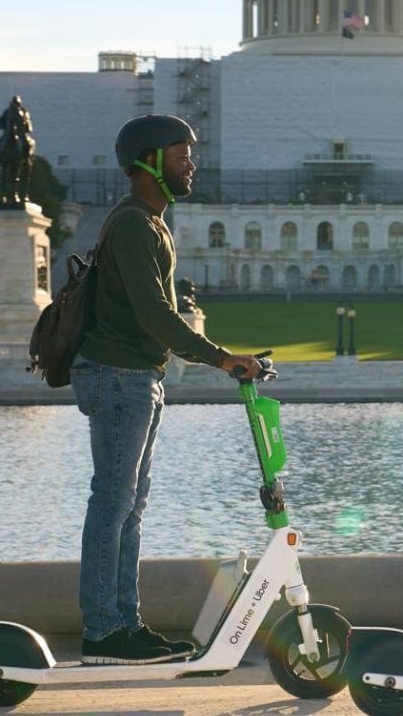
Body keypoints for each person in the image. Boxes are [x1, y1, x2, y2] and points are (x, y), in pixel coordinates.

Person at [71, 114, 266, 665]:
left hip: (136, 376)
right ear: (149, 161)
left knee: (129, 506)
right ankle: (103, 631)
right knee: (112, 502)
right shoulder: (134, 224)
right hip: (117, 375)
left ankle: (124, 626)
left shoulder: (150, 223)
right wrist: (221, 358)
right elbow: (156, 313)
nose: (191, 164)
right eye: (181, 154)